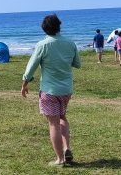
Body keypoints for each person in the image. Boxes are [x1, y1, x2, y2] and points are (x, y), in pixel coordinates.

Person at [21, 14, 81, 167]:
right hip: (66, 90)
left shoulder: (43, 45)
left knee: (53, 123)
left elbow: (31, 66)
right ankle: (67, 148)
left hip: (49, 90)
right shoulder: (70, 43)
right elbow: (77, 64)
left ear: (44, 29)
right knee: (63, 117)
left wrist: (25, 83)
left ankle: (60, 159)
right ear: (59, 26)